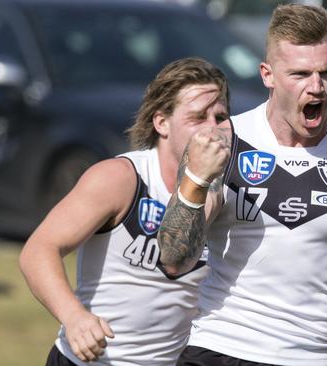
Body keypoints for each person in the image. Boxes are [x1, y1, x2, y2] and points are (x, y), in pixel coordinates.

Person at [156, 4, 327, 366]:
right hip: (218, 348)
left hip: (308, 357)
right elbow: (174, 260)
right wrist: (194, 181)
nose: (316, 87)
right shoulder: (224, 145)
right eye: (300, 74)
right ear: (268, 75)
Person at [18, 57, 230, 365]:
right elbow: (38, 251)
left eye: (221, 117)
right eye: (198, 117)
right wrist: (75, 317)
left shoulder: (225, 193)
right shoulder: (120, 178)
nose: (214, 130)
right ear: (162, 123)